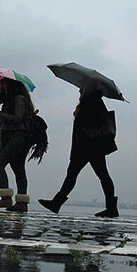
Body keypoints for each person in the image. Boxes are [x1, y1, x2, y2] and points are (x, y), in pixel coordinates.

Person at [38, 82, 119, 217]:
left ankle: (57, 202)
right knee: (99, 175)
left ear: (88, 89)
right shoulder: (92, 101)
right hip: (90, 145)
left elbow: (91, 121)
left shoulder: (90, 101)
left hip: (87, 145)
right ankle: (111, 208)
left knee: (77, 174)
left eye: (82, 88)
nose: (80, 91)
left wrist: (79, 113)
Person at [0, 77, 35, 212]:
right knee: (18, 169)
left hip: (18, 137)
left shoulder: (19, 98)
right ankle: (21, 203)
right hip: (11, 137)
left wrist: (0, 114)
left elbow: (18, 118)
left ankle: (5, 198)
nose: (1, 88)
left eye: (2, 84)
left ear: (10, 85)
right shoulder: (11, 101)